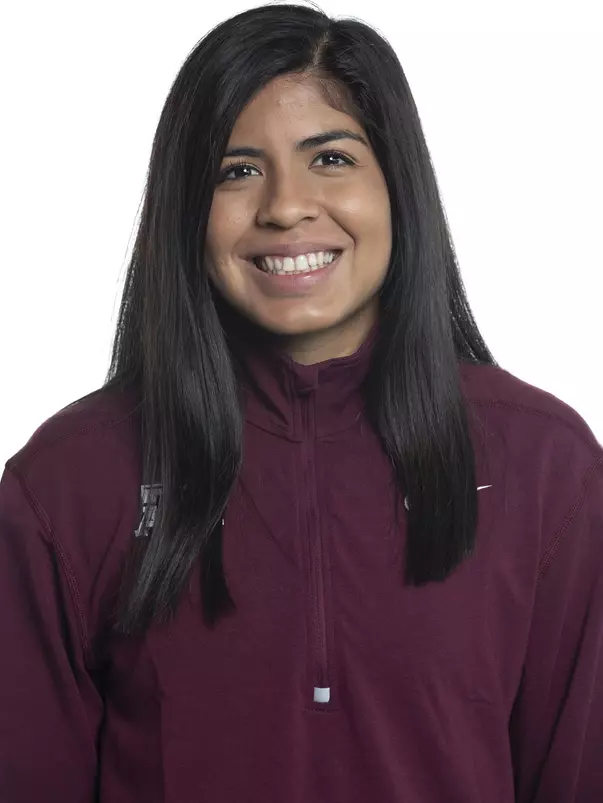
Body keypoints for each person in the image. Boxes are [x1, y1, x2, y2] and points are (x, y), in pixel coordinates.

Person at [1, 3, 602, 801]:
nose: (285, 206)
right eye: (236, 171)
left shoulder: (545, 465)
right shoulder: (70, 480)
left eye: (330, 158)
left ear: (397, 186)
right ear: (187, 208)